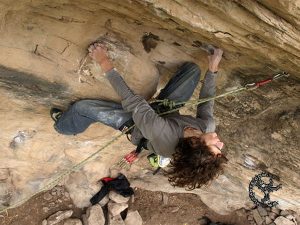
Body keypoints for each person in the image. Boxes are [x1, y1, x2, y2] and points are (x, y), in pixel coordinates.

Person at [51, 43, 228, 190]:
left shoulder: (161, 133)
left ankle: (64, 125)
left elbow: (132, 100)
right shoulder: (207, 127)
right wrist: (213, 68)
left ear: (195, 143)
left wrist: (103, 60)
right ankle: (166, 95)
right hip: (166, 111)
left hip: (136, 126)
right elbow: (207, 102)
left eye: (216, 146)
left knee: (83, 107)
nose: (221, 143)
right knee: (193, 71)